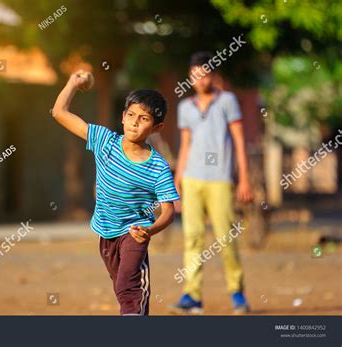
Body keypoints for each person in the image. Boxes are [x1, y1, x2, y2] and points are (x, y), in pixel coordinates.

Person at [52, 70, 179, 315]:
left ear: (157, 127)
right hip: (106, 231)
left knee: (128, 286)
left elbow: (169, 211)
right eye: (131, 115)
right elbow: (59, 113)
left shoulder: (158, 166)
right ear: (122, 117)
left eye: (143, 118)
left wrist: (149, 230)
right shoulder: (104, 141)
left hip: (135, 232)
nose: (134, 122)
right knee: (123, 288)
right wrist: (73, 83)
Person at [171, 52, 253, 314]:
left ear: (213, 75)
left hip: (220, 179)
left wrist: (244, 179)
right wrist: (177, 181)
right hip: (192, 179)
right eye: (195, 74)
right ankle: (192, 296)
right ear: (190, 77)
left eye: (205, 73)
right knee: (192, 238)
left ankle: (237, 293)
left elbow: (239, 140)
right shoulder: (185, 107)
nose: (201, 79)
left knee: (225, 238)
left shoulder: (227, 101)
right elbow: (185, 145)